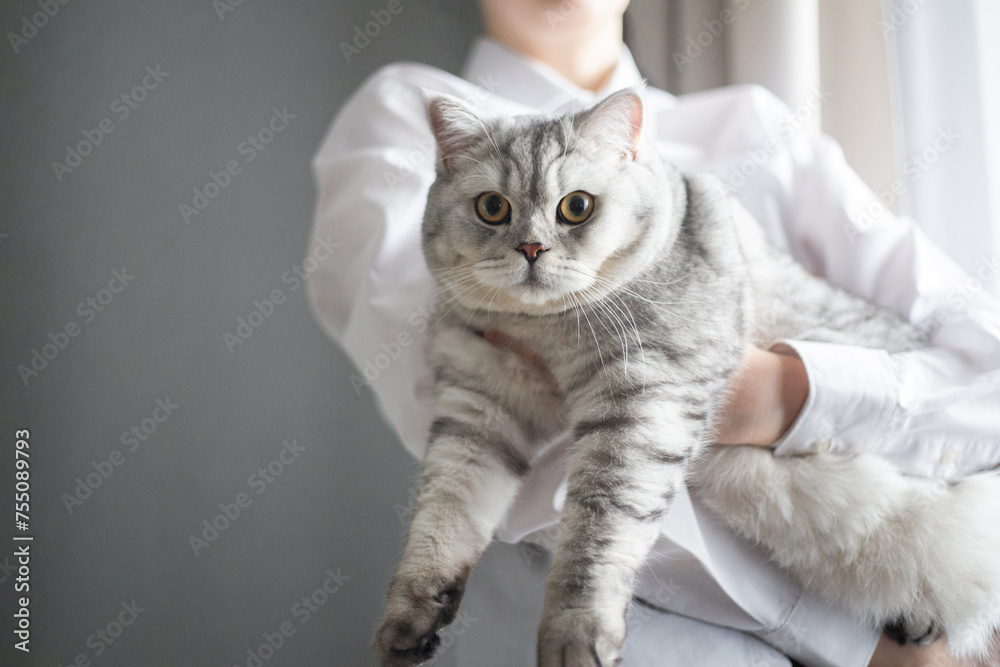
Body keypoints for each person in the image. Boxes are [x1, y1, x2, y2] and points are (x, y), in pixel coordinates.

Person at [306, 0, 1000, 664]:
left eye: (576, 207)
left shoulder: (755, 126)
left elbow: (985, 381)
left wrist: (785, 392)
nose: (533, 244)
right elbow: (501, 437)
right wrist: (865, 645)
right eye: (494, 208)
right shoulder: (403, 110)